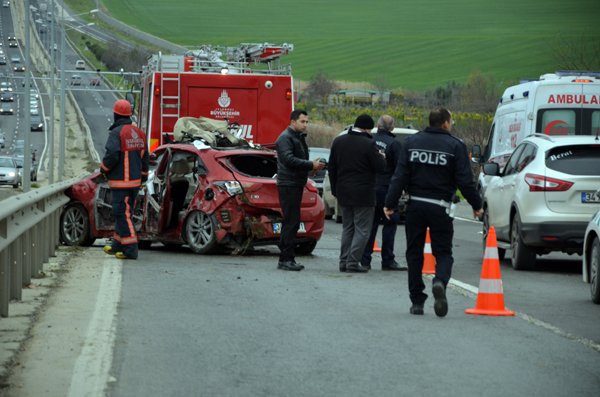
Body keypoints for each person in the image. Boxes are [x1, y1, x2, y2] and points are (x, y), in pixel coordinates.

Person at [384, 108, 483, 317]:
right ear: (446, 123)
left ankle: (417, 301)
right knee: (444, 253)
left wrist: (390, 203)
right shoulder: (455, 146)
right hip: (441, 207)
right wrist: (477, 205)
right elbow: (465, 181)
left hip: (415, 206)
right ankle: (439, 281)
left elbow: (399, 176)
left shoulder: (411, 143)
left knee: (414, 254)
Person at [329, 114, 386, 273]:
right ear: (367, 129)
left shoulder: (338, 141)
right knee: (362, 229)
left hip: (343, 192)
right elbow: (380, 167)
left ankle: (343, 261)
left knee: (348, 227)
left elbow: (332, 168)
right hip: (363, 193)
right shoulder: (369, 144)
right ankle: (353, 262)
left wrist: (335, 190)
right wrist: (382, 157)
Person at [275, 110, 325, 271]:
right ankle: (285, 259)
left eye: (307, 122)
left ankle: (288, 258)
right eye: (302, 121)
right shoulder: (285, 138)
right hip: (288, 184)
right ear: (293, 121)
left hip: (295, 183)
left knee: (293, 222)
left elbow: (299, 161)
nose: (305, 125)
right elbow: (289, 160)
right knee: (291, 222)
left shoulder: (297, 137)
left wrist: (312, 168)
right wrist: (310, 165)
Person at [101, 99, 149, 260]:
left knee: (121, 213)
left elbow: (112, 155)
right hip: (135, 183)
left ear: (115, 115)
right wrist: (143, 177)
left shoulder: (117, 133)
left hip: (121, 182)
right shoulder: (139, 133)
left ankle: (130, 249)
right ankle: (117, 245)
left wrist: (104, 169)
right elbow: (145, 157)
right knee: (124, 213)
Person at [361, 115, 407, 271]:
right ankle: (387, 260)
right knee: (390, 224)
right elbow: (400, 171)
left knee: (370, 225)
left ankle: (365, 260)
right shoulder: (394, 144)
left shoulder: (369, 141)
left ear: (378, 126)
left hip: (370, 188)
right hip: (387, 189)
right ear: (392, 127)